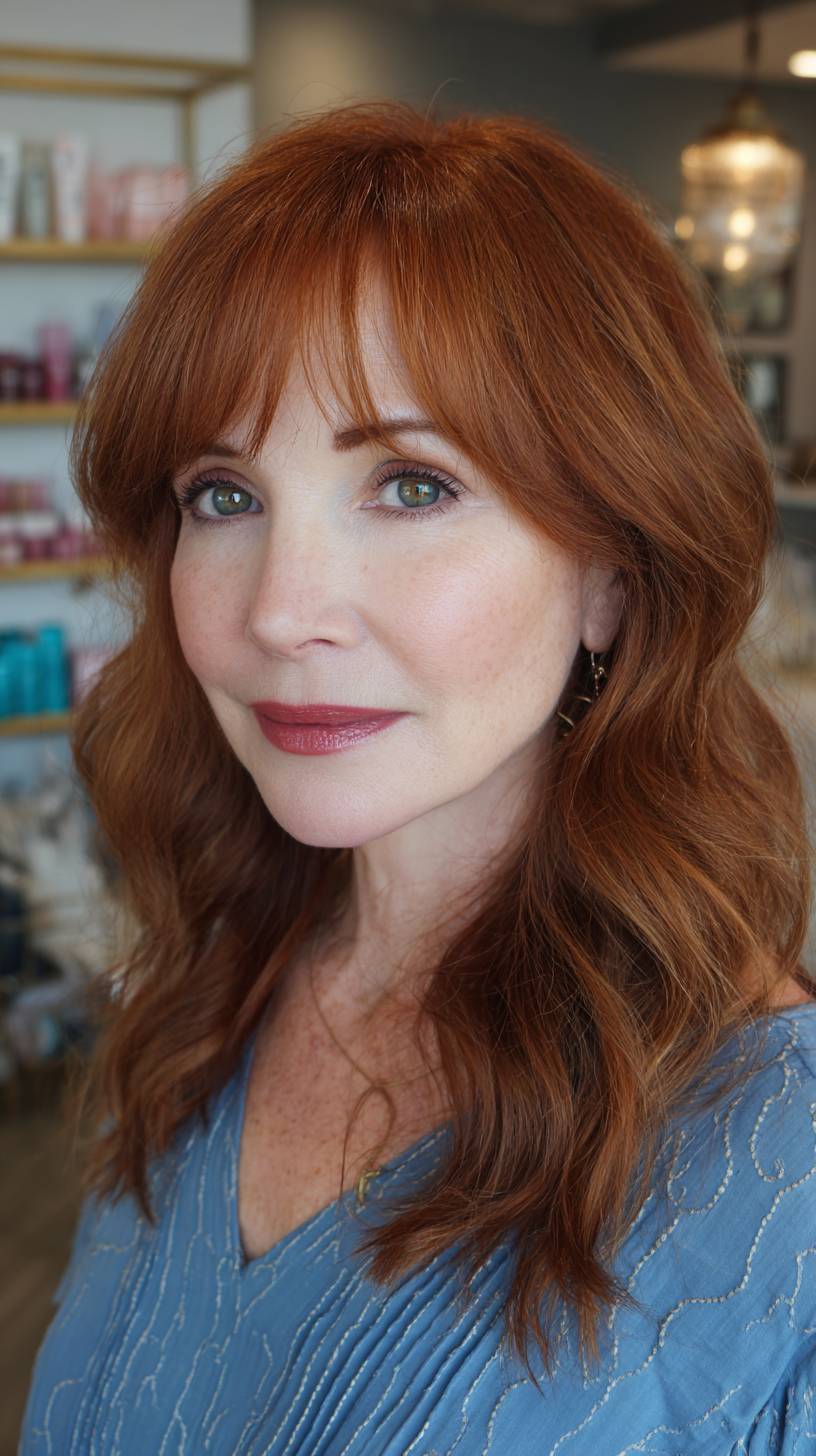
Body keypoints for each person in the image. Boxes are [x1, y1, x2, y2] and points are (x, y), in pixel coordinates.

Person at [18, 99, 816, 1455]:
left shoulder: (779, 1178)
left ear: (612, 575)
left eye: (410, 486)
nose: (281, 610)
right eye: (224, 495)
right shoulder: (206, 984)